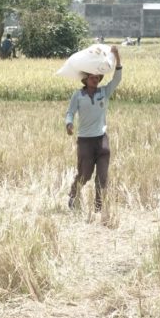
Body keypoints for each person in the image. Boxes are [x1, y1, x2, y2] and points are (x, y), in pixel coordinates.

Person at [65, 45, 122, 212]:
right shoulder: (78, 95)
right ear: (85, 79)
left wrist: (117, 57)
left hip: (101, 138)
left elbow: (117, 79)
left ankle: (98, 206)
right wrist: (69, 124)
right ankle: (73, 194)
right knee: (85, 174)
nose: (95, 79)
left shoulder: (104, 92)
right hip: (85, 141)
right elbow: (70, 112)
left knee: (102, 177)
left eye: (98, 77)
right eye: (92, 77)